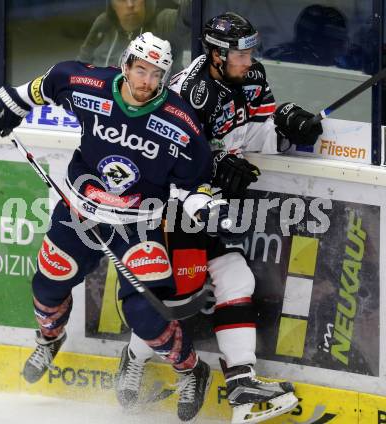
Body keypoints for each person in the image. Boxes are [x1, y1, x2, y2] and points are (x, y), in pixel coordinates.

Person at [0, 32, 243, 422]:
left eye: (156, 75)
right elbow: (50, 81)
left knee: (146, 313)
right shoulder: (90, 86)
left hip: (137, 223)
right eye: (140, 70)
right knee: (49, 282)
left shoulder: (180, 122)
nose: (146, 82)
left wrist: (201, 203)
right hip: (81, 209)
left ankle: (191, 369)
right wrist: (12, 102)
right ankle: (50, 339)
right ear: (126, 65)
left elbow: (196, 183)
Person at [118, 13, 323, 424]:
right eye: (240, 53)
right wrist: (214, 166)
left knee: (234, 277)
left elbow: (253, 129)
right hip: (170, 204)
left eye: (250, 51)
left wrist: (287, 126)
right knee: (180, 297)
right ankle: (133, 356)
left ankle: (242, 383)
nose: (249, 60)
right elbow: (165, 155)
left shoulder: (252, 74)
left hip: (204, 202)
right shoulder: (192, 93)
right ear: (215, 54)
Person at [77, 0, 190, 73]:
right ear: (112, 5)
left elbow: (187, 14)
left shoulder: (164, 21)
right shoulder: (104, 23)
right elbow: (80, 65)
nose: (130, 4)